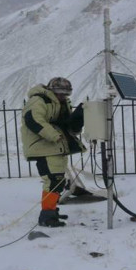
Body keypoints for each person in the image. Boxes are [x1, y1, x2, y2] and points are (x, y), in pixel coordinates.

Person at [21, 77, 86, 227]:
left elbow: (65, 122)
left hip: (56, 146)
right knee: (52, 180)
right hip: (43, 146)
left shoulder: (61, 103)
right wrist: (53, 135)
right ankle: (47, 216)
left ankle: (51, 211)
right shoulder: (38, 100)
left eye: (66, 94)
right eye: (60, 93)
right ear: (52, 91)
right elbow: (33, 120)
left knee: (58, 180)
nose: (63, 96)